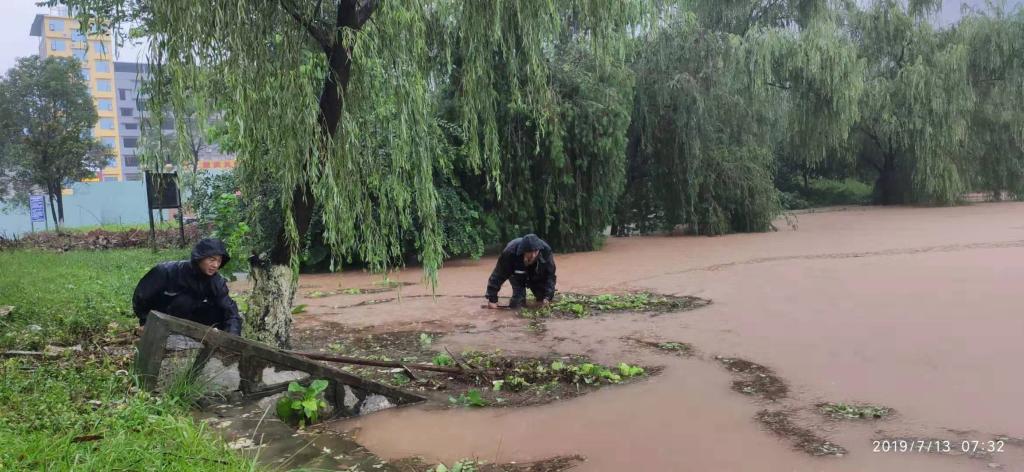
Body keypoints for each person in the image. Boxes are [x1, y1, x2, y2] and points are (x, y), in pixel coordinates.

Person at [132, 238, 243, 335]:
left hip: (190, 321)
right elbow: (141, 299)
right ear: (200, 258)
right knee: (185, 300)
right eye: (212, 259)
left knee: (223, 312)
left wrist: (233, 337)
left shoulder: (216, 281)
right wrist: (147, 322)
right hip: (161, 319)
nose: (215, 265)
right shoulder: (165, 271)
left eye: (219, 261)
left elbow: (229, 310)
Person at [484, 234, 557, 309]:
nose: (533, 255)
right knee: (518, 304)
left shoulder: (546, 251)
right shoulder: (510, 253)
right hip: (516, 273)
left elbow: (550, 276)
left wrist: (548, 297)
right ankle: (518, 300)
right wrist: (492, 300)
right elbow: (498, 275)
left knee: (542, 298)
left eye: (536, 251)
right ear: (523, 251)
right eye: (530, 252)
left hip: (536, 273)